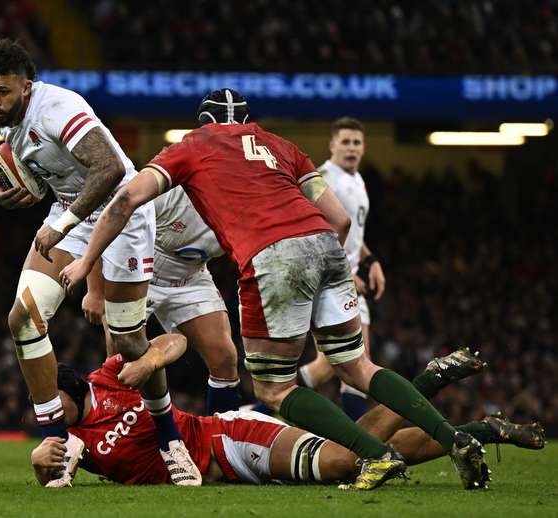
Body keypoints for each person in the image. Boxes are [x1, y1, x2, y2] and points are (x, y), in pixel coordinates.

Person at [59, 88, 488, 490]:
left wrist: (84, 262)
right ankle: (456, 440)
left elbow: (121, 201)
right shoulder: (282, 147)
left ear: (204, 122)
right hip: (323, 246)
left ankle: (374, 455)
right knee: (358, 367)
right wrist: (321, 267)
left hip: (269, 258)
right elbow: (340, 221)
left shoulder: (192, 145)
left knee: (273, 388)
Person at [0, 39, 199, 487]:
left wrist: (62, 226)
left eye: (2, 92)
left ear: (27, 86)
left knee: (128, 348)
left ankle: (168, 436)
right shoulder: (10, 127)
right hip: (72, 211)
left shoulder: (57, 107)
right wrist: (7, 194)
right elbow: (48, 183)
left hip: (124, 214)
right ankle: (58, 444)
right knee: (23, 318)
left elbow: (108, 171)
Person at [30, 340, 544, 488]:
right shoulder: (73, 443)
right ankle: (476, 430)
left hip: (226, 439)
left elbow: (174, 340)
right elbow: (48, 475)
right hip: (224, 475)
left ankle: (427, 381)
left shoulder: (107, 379)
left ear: (69, 386)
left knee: (347, 461)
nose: (50, 408)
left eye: (53, 397)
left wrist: (149, 361)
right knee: (369, 453)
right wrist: (38, 462)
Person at [83, 186, 240, 414]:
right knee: (121, 359)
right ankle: (120, 434)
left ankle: (227, 439)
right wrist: (95, 290)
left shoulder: (248, 209)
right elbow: (110, 218)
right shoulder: (172, 190)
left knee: (225, 357)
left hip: (191, 275)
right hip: (139, 268)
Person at [298, 117, 383, 420]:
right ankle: (261, 404)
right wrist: (347, 272)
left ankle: (262, 403)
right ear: (332, 144)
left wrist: (370, 260)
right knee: (351, 367)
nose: (351, 148)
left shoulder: (356, 180)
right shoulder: (324, 180)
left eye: (356, 142)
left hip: (346, 281)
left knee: (343, 367)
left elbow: (353, 231)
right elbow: (315, 234)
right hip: (330, 281)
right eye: (345, 142)